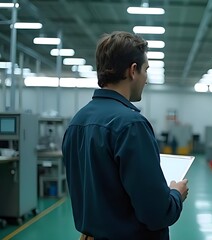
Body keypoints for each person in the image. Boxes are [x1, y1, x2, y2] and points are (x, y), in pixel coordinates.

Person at [62, 31, 189, 240]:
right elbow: (156, 214)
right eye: (145, 70)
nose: (146, 79)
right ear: (132, 71)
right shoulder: (131, 125)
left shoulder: (77, 122)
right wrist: (176, 194)